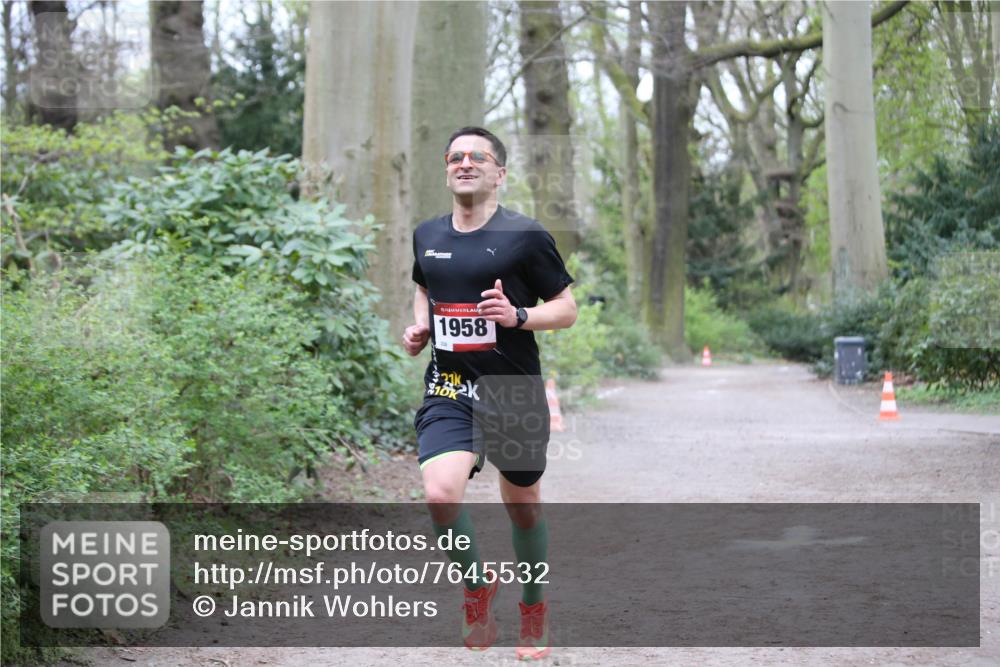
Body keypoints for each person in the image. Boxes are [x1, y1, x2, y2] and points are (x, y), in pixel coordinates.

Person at [403, 126, 577, 660]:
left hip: (512, 388)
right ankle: (477, 588)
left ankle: (533, 607)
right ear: (447, 170)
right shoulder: (427, 234)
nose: (465, 162)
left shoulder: (525, 236)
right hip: (449, 385)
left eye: (478, 156)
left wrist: (518, 315)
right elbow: (425, 288)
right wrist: (421, 327)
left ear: (499, 172)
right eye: (455, 156)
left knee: (523, 505)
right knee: (439, 495)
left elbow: (566, 308)